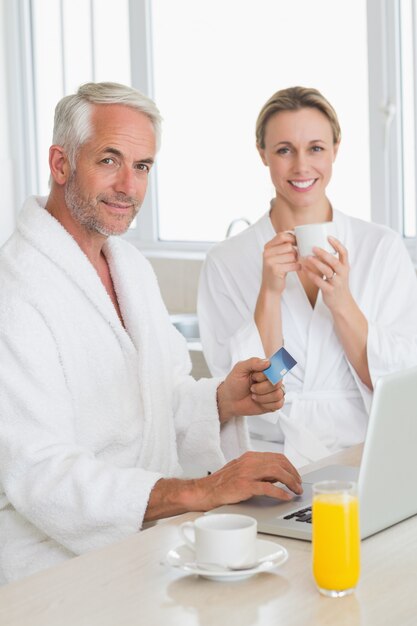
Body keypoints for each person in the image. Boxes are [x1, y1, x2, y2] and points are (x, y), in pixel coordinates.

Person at [0, 82, 303, 585]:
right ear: (60, 164)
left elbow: (159, 403)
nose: (129, 186)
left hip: (145, 550)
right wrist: (199, 491)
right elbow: (40, 473)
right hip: (50, 575)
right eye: (109, 160)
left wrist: (222, 400)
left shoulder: (130, 267)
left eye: (142, 167)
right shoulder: (15, 290)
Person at [198, 86, 417, 466]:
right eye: (284, 150)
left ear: (335, 149)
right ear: (262, 153)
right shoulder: (226, 262)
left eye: (315, 148)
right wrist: (269, 294)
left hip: (368, 454)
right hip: (273, 459)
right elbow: (259, 389)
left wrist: (342, 303)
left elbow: (396, 384)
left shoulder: (380, 248)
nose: (301, 166)